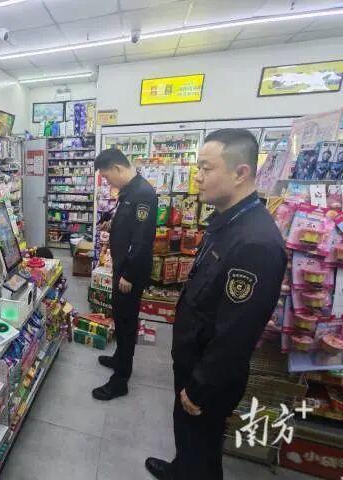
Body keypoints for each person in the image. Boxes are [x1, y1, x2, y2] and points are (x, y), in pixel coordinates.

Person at [145, 129, 287, 480]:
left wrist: (201, 385)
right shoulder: (227, 220)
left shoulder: (255, 242)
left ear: (240, 173)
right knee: (189, 439)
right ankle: (180, 469)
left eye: (206, 168)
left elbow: (237, 333)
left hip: (208, 375)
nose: (197, 177)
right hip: (193, 357)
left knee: (203, 450)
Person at [92, 148, 157, 401]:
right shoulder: (129, 191)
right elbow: (129, 225)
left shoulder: (143, 194)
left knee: (127, 323)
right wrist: (112, 224)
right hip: (122, 266)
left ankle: (120, 381)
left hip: (131, 271)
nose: (108, 182)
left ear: (117, 169)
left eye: (107, 177)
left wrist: (128, 275)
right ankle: (119, 357)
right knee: (120, 317)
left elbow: (142, 241)